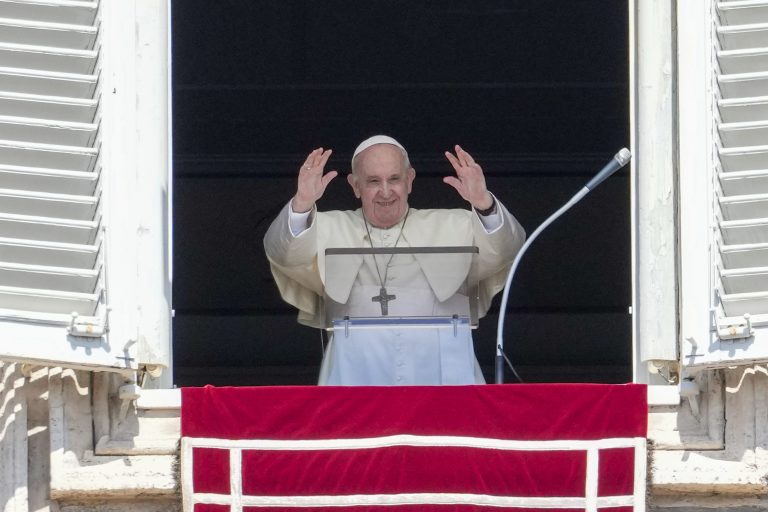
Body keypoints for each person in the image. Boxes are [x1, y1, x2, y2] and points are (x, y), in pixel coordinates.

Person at [264, 135, 525, 385]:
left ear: (410, 180)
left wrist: (483, 203)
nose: (386, 191)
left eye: (395, 179)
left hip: (442, 365)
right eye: (373, 181)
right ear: (355, 186)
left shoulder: (454, 223)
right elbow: (283, 253)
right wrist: (302, 204)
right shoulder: (327, 226)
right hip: (356, 367)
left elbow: (506, 248)